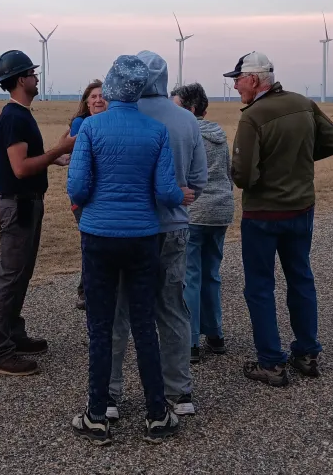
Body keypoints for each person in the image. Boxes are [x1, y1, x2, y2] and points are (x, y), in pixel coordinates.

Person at [68, 55, 183, 444]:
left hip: (99, 235)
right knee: (144, 323)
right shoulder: (155, 131)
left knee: (101, 325)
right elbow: (166, 193)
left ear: (113, 87)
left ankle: (97, 413)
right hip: (142, 237)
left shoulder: (90, 128)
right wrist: (185, 194)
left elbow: (78, 188)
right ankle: (156, 412)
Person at [224, 51, 333, 387]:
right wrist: (300, 160)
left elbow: (244, 176)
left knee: (260, 288)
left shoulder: (253, 117)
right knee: (301, 278)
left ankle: (271, 363)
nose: (235, 86)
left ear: (253, 79)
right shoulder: (304, 103)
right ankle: (307, 352)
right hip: (301, 209)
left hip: (263, 214)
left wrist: (254, 171)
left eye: (237, 79)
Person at [108, 51, 207, 418]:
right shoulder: (187, 121)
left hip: (127, 229)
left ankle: (110, 393)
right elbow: (198, 181)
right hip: (174, 226)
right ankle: (179, 392)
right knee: (172, 308)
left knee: (118, 311)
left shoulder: (121, 118)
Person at [0, 49, 75, 376]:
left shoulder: (22, 114)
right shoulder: (13, 117)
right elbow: (20, 168)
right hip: (19, 205)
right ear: (21, 79)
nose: (37, 78)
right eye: (33, 74)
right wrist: (58, 150)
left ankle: (12, 333)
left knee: (20, 273)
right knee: (9, 276)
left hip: (28, 203)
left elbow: (32, 163)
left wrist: (58, 158)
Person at [171, 83, 234, 363]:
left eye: (175, 106)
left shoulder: (187, 132)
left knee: (191, 277)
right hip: (221, 211)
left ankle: (192, 340)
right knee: (212, 273)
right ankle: (215, 334)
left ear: (190, 109)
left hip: (196, 212)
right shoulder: (218, 134)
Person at [68, 79, 107, 311]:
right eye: (93, 97)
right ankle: (85, 291)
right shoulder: (80, 123)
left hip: (104, 193)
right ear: (86, 102)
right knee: (91, 242)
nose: (98, 100)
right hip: (84, 193)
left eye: (102, 96)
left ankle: (97, 287)